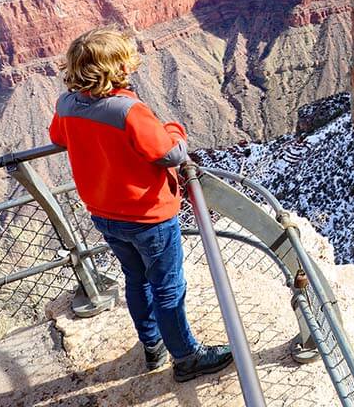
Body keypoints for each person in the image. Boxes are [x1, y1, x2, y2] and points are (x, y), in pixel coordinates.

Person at [48, 27, 234, 382]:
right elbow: (170, 152)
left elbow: (57, 136)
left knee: (136, 280)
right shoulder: (128, 110)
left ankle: (152, 346)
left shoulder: (66, 105)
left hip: (104, 215)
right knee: (168, 287)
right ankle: (187, 357)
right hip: (149, 217)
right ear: (115, 68)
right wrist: (175, 127)